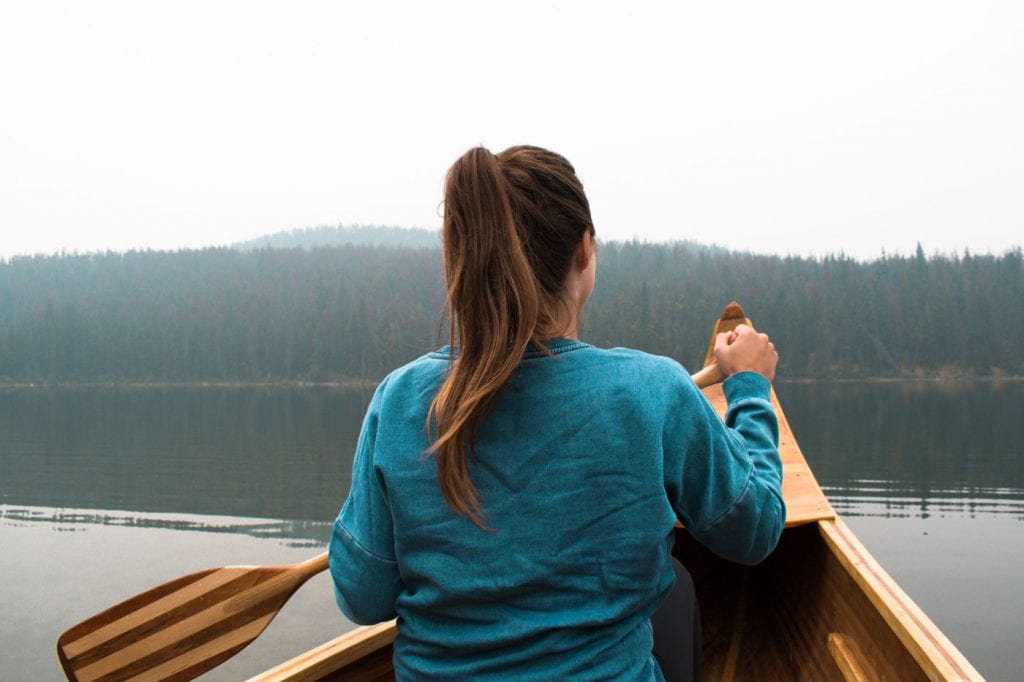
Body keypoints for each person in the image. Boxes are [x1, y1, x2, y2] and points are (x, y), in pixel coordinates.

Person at [328, 145, 784, 681]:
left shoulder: (399, 400)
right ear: (585, 251)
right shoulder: (652, 391)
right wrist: (751, 388)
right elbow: (755, 530)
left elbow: (362, 597)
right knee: (676, 588)